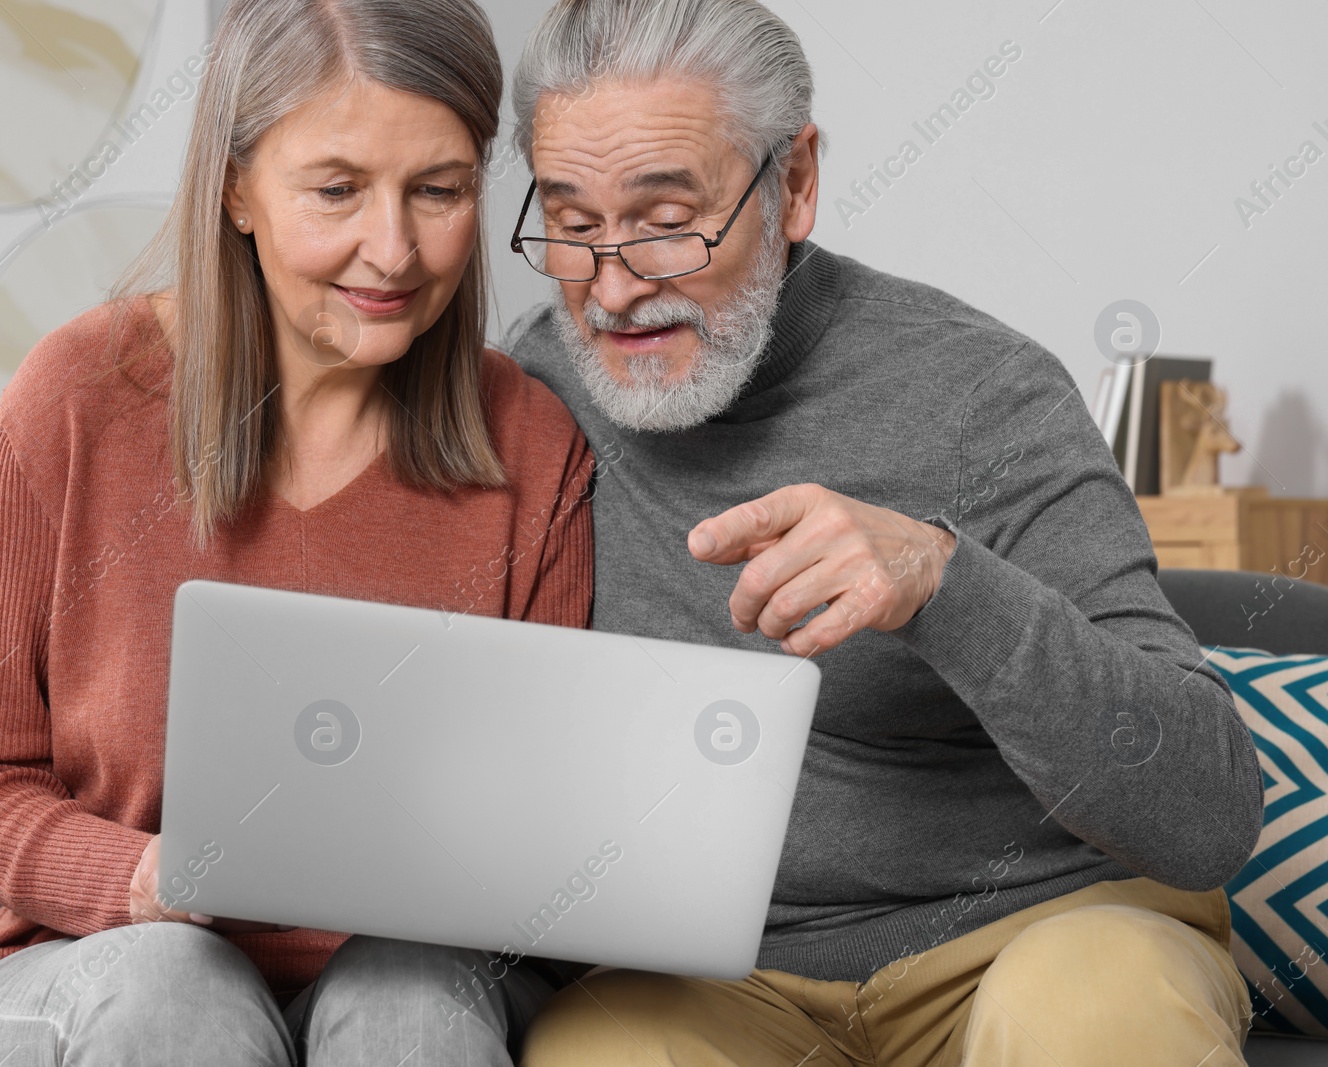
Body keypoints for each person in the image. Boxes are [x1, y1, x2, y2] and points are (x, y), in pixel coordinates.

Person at [502, 1, 1264, 1064]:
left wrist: (945, 583)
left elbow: (1208, 810)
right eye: (573, 226)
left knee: (1087, 1010)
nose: (614, 288)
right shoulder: (530, 393)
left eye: (668, 219)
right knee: (600, 1050)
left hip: (1037, 932)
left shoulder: (983, 392)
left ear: (796, 182)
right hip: (718, 978)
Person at [0, 1, 591, 1064]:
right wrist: (132, 879)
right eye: (336, 190)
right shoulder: (75, 395)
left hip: (400, 973)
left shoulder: (533, 442)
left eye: (438, 190)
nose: (392, 249)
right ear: (236, 188)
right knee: (179, 983)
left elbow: (550, 812)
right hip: (96, 966)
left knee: (407, 994)